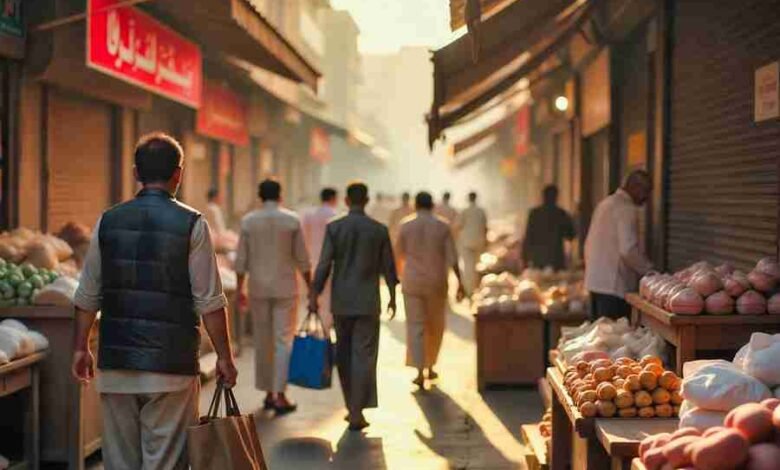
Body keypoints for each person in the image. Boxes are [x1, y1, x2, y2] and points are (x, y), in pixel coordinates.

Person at [71, 133, 237, 470]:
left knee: (120, 463)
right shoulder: (193, 224)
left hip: (117, 366)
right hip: (171, 369)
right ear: (178, 174)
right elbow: (209, 301)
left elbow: (87, 293)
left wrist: (80, 347)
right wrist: (224, 356)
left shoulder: (107, 221)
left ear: (136, 173)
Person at [309, 182, 398, 431]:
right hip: (368, 302)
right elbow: (389, 268)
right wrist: (392, 296)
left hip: (342, 302)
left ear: (346, 201)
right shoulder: (378, 230)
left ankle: (352, 407)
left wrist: (314, 293)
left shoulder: (335, 227)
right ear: (366, 200)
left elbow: (324, 264)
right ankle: (357, 410)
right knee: (364, 356)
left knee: (344, 355)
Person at [235, 179, 312, 414]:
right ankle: (280, 394)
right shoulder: (291, 220)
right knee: (282, 341)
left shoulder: (248, 221)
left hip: (258, 288)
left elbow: (241, 260)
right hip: (285, 288)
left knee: (263, 341)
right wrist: (311, 288)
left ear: (260, 196)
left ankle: (269, 393)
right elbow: (303, 259)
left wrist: (239, 290)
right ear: (280, 195)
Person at [398, 192, 465, 388]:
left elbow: (398, 254)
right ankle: (430, 366)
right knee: (435, 325)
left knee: (415, 326)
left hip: (412, 281)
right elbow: (452, 257)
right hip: (436, 282)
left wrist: (398, 277)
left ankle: (419, 370)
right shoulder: (442, 226)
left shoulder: (406, 225)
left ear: (415, 205)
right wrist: (460, 282)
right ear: (432, 205)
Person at [584, 170, 654, 319]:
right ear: (635, 187)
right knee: (614, 331)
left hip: (595, 283)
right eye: (646, 191)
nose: (647, 198)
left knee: (599, 331)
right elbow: (628, 250)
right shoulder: (626, 209)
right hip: (613, 287)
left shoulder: (605, 204)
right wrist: (649, 271)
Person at [301, 187, 340, 332]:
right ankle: (325, 330)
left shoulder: (310, 216)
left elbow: (303, 239)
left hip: (312, 261)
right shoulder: (336, 216)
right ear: (333, 199)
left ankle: (315, 330)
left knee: (313, 296)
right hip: (331, 263)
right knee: (328, 298)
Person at [522, 185, 576, 271]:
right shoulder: (561, 214)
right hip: (556, 259)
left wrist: (525, 258)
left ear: (543, 197)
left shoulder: (534, 214)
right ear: (556, 197)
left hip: (538, 259)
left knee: (539, 278)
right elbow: (571, 236)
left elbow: (528, 237)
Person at [456, 191, 488, 297]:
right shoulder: (481, 211)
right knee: (476, 266)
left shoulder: (465, 211)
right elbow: (485, 227)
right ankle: (474, 289)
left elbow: (458, 226)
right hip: (479, 241)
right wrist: (485, 241)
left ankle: (469, 290)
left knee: (468, 267)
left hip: (466, 242)